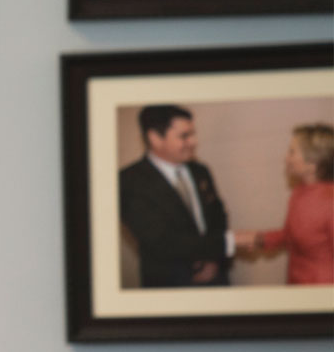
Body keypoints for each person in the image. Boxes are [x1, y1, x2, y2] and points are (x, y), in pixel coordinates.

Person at [119, 104, 233, 287]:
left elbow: (218, 216)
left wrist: (213, 260)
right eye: (184, 136)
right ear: (155, 138)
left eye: (193, 134)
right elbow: (160, 241)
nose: (194, 142)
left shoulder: (200, 171)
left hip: (216, 277)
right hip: (170, 283)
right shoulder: (128, 181)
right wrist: (230, 242)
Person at [235, 122, 334, 284]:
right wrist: (258, 239)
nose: (286, 158)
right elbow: (293, 235)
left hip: (323, 295)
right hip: (297, 286)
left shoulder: (330, 202)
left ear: (312, 164)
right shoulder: (300, 192)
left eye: (292, 152)